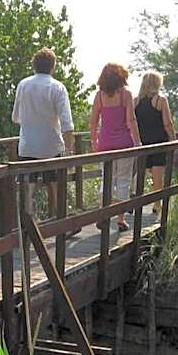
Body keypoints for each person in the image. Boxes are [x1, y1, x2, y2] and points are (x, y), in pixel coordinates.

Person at [11, 47, 75, 217]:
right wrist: (69, 151)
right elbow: (67, 123)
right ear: (52, 66)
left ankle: (29, 220)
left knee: (28, 185)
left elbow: (16, 117)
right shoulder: (57, 88)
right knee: (54, 184)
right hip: (51, 146)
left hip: (28, 145)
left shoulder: (23, 85)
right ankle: (57, 219)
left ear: (34, 65)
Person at [89, 63, 140, 231]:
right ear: (121, 77)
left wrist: (94, 142)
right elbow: (131, 120)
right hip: (124, 143)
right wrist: (138, 142)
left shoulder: (99, 96)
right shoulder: (126, 95)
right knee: (123, 180)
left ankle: (103, 215)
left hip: (105, 144)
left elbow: (94, 121)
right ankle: (120, 219)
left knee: (107, 180)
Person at [134, 71, 177, 215]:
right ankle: (157, 204)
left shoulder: (136, 101)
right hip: (159, 142)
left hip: (142, 142)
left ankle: (136, 201)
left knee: (140, 173)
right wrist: (174, 139)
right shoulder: (160, 100)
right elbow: (168, 123)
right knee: (157, 175)